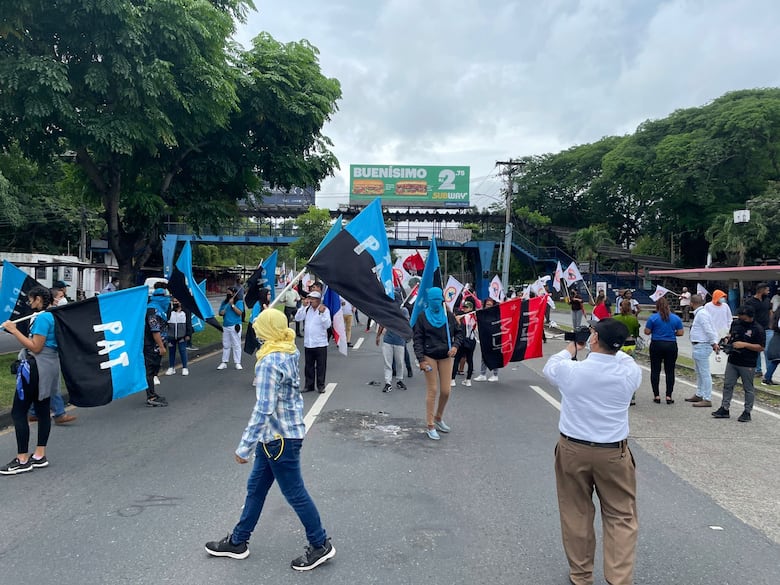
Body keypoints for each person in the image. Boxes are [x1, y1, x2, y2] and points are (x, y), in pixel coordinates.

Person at [205, 309, 335, 570]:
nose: (256, 329)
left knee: (294, 492)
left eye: (259, 326)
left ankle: (320, 544)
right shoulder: (287, 347)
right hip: (278, 435)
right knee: (256, 488)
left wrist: (245, 447)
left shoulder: (269, 361)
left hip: (279, 438)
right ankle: (238, 541)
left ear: (267, 330)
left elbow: (264, 407)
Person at [543, 318, 641, 585]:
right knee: (621, 515)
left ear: (593, 339)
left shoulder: (571, 371)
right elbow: (621, 358)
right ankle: (619, 579)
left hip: (573, 448)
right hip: (613, 452)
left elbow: (550, 366)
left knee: (576, 512)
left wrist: (574, 346)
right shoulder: (629, 373)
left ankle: (582, 575)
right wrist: (606, 342)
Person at [1, 286, 62, 474]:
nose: (29, 303)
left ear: (37, 299)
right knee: (43, 410)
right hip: (49, 366)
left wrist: (13, 330)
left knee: (19, 412)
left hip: (37, 366)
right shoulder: (53, 315)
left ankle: (22, 459)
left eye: (30, 299)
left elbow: (36, 347)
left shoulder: (43, 317)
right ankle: (39, 455)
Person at [412, 287, 463, 440]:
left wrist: (455, 346)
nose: (436, 302)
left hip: (446, 356)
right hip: (429, 357)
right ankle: (430, 425)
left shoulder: (448, 316)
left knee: (446, 391)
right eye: (433, 300)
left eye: (438, 299)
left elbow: (459, 333)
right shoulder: (422, 317)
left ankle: (438, 417)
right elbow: (418, 340)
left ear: (441, 300)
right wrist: (421, 359)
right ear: (429, 300)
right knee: (432, 390)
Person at [712, 305, 765, 422]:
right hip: (733, 359)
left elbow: (761, 347)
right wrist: (727, 339)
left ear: (751, 317)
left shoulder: (758, 329)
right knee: (728, 385)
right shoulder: (736, 323)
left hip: (748, 362)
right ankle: (724, 408)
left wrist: (745, 345)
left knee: (748, 388)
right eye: (740, 318)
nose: (742, 320)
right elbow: (731, 335)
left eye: (744, 318)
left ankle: (747, 411)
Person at [644, 297, 684, 404]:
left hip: (657, 344)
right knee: (670, 371)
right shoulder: (675, 318)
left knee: (655, 370)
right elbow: (681, 333)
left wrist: (655, 331)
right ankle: (669, 396)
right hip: (670, 344)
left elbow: (647, 332)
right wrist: (671, 333)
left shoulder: (653, 318)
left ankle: (656, 395)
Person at [684, 294, 720, 407]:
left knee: (704, 373)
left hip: (702, 345)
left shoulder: (701, 315)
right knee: (699, 372)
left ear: (691, 303)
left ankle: (707, 397)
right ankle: (699, 393)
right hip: (699, 345)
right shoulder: (701, 313)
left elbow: (708, 329)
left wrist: (714, 342)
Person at [294, 291, 331, 393]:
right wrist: (302, 307)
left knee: (321, 366)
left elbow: (327, 325)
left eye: (313, 299)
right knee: (309, 366)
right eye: (310, 298)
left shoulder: (324, 310)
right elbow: (297, 318)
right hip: (309, 343)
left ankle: (321, 385)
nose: (311, 301)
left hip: (320, 343)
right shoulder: (306, 309)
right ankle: (309, 385)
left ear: (318, 300)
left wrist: (322, 313)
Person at [612, 299, 641, 405]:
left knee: (617, 370)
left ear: (620, 307)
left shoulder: (615, 318)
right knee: (630, 370)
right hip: (630, 345)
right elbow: (636, 333)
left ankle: (617, 394)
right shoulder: (633, 319)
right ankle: (632, 396)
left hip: (618, 345)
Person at [376, 309, 409, 393]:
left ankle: (399, 380)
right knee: (387, 362)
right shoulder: (387, 308)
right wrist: (378, 336)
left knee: (400, 362)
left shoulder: (404, 311)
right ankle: (388, 383)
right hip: (388, 340)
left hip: (400, 341)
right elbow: (382, 324)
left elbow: (407, 323)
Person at [745, 282, 771, 379]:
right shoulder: (750, 302)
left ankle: (769, 372)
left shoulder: (767, 300)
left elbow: (770, 312)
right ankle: (758, 370)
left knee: (767, 350)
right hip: (755, 329)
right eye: (766, 290)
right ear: (761, 290)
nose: (768, 292)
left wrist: (771, 324)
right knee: (757, 349)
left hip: (767, 329)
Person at [143, 305, 169, 407]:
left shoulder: (159, 310)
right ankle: (151, 397)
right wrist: (161, 346)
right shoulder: (152, 311)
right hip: (151, 347)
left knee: (154, 369)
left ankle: (152, 394)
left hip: (155, 346)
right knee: (150, 371)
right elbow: (155, 330)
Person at [450, 301, 477, 387]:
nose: (464, 309)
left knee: (460, 359)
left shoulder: (465, 317)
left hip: (464, 341)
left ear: (471, 308)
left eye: (467, 307)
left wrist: (457, 320)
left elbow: (459, 328)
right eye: (464, 307)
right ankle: (463, 380)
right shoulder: (474, 316)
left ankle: (457, 380)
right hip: (470, 341)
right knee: (466, 359)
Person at [165, 297, 193, 376]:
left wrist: (188, 334)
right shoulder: (170, 312)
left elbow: (188, 323)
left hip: (182, 336)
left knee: (182, 351)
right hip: (171, 336)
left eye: (177, 301)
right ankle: (171, 367)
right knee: (171, 352)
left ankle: (185, 367)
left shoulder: (185, 312)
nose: (175, 303)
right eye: (174, 301)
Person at [218, 286, 244, 370]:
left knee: (236, 344)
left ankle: (237, 362)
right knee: (226, 344)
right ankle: (224, 362)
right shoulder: (224, 302)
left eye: (229, 292)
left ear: (233, 293)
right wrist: (222, 312)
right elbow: (220, 313)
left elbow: (239, 312)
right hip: (226, 325)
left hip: (235, 325)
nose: (228, 293)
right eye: (227, 292)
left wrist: (232, 305)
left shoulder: (239, 302)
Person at [474, 297, 499, 382]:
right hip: (485, 337)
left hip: (495, 338)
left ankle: (495, 374)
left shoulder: (496, 314)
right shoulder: (482, 313)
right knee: (484, 355)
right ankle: (482, 374)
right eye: (487, 304)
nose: (488, 306)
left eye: (490, 305)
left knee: (495, 356)